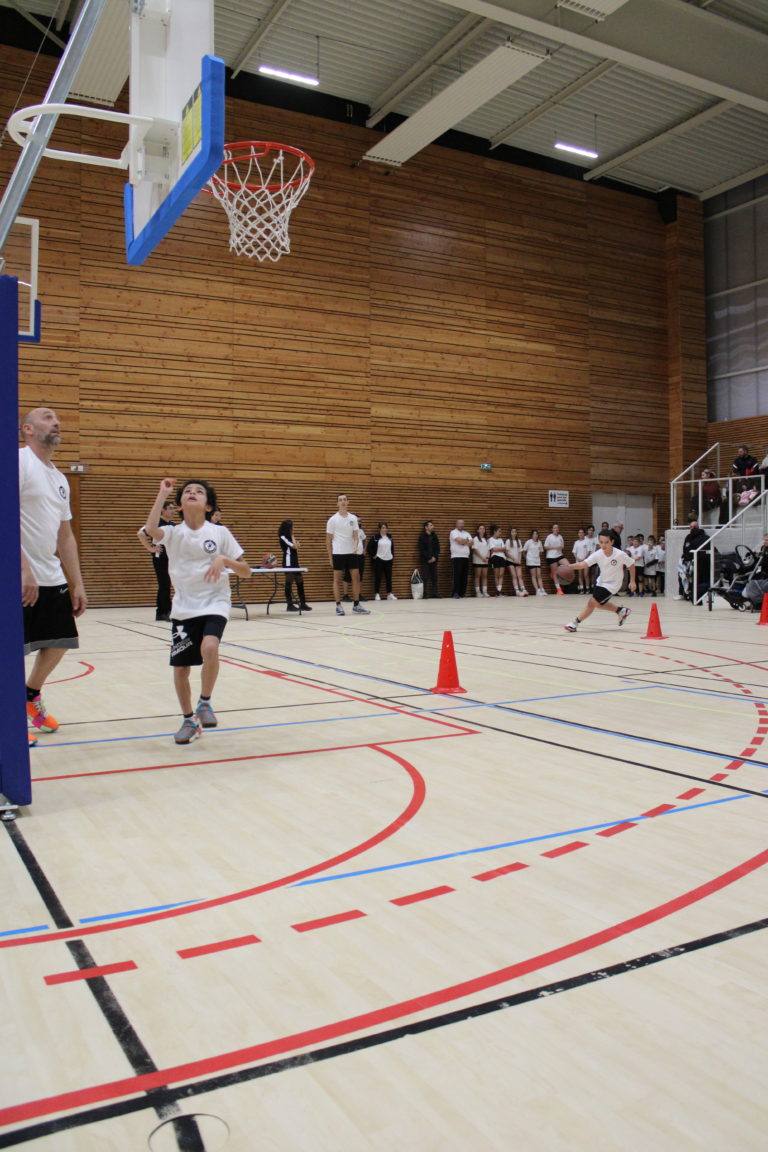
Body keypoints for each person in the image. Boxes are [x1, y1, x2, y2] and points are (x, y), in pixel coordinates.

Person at [144, 477, 251, 743]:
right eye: (187, 491)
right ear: (179, 505)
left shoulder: (220, 533)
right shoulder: (173, 533)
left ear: (208, 506)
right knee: (181, 669)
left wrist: (224, 559)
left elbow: (246, 571)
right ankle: (189, 719)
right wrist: (162, 493)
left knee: (210, 647)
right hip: (183, 607)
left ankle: (205, 701)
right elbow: (150, 529)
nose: (192, 493)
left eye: (199, 491)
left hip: (215, 601)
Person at [20, 407, 88, 745]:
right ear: (28, 429)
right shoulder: (18, 462)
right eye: (47, 417)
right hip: (18, 574)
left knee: (60, 641)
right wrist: (21, 568)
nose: (56, 422)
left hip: (51, 575)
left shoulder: (60, 479)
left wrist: (77, 583)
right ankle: (9, 724)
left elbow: (65, 536)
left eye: (57, 418)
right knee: (12, 651)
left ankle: (30, 694)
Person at [564, 532, 636, 632]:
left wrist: (632, 581)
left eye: (606, 542)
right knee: (598, 604)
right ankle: (621, 610)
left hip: (613, 585)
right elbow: (583, 564)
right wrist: (568, 567)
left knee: (592, 602)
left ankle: (574, 623)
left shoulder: (620, 554)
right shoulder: (598, 554)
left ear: (612, 542)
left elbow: (631, 564)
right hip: (601, 582)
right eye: (601, 542)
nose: (603, 545)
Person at [327, 494, 370, 615]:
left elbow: (356, 536)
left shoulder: (353, 518)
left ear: (348, 502)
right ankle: (338, 605)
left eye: (345, 499)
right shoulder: (332, 520)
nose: (343, 501)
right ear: (337, 503)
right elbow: (328, 541)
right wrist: (330, 558)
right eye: (340, 500)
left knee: (356, 577)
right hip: (338, 553)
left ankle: (356, 605)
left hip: (351, 553)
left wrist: (355, 545)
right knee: (337, 580)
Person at [137, 498, 176, 620]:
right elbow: (141, 533)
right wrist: (150, 548)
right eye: (170, 508)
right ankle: (164, 612)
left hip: (171, 557)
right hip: (160, 557)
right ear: (163, 510)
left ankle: (162, 612)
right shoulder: (156, 524)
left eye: (174, 508)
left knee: (167, 584)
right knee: (164, 584)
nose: (173, 511)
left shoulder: (173, 525)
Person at [278, 519, 311, 612]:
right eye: (292, 527)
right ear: (288, 528)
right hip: (288, 563)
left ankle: (303, 603)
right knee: (289, 583)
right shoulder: (283, 537)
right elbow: (295, 546)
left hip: (295, 562)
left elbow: (296, 546)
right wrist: (293, 538)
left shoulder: (290, 537)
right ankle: (289, 605)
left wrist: (294, 539)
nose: (293, 529)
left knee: (300, 582)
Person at [675, 519, 710, 601]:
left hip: (698, 562)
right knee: (682, 574)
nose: (691, 529)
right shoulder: (689, 537)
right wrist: (685, 559)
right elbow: (685, 548)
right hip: (689, 561)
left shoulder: (704, 537)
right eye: (690, 527)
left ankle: (691, 594)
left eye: (692, 527)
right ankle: (683, 593)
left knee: (692, 577)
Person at [368, 521, 396, 600]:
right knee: (378, 577)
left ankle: (389, 594)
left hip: (389, 559)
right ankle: (377, 594)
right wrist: (374, 555)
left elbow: (392, 547)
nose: (385, 529)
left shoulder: (389, 537)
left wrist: (392, 555)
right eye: (383, 528)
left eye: (386, 528)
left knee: (389, 577)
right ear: (379, 529)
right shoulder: (375, 537)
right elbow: (369, 548)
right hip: (379, 560)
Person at [449, 519, 473, 598]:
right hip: (456, 557)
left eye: (463, 523)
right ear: (456, 524)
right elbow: (459, 541)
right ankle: (455, 593)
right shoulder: (453, 532)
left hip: (465, 557)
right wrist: (466, 541)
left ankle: (462, 593)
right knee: (457, 575)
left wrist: (463, 541)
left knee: (464, 576)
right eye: (460, 523)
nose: (461, 525)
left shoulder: (466, 533)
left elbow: (471, 542)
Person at [418, 520, 441, 598]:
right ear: (426, 527)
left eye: (432, 525)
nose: (433, 526)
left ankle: (435, 593)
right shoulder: (422, 537)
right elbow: (422, 549)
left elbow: (438, 548)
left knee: (434, 577)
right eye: (431, 525)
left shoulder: (434, 536)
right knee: (425, 577)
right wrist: (429, 557)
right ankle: (425, 594)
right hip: (425, 560)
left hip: (434, 560)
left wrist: (434, 557)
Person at [487, 524, 509, 596]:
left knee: (501, 574)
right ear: (495, 531)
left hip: (502, 558)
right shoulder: (490, 540)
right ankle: (497, 591)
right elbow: (493, 549)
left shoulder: (501, 540)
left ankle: (499, 590)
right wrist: (500, 549)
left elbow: (504, 549)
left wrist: (499, 549)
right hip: (494, 558)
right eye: (499, 531)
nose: (500, 533)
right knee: (496, 575)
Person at [544, 523, 565, 595]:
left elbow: (562, 546)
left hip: (559, 555)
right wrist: (554, 547)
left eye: (557, 528)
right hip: (551, 556)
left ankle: (553, 572)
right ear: (552, 529)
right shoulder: (549, 537)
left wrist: (560, 547)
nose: (556, 529)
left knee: (567, 565)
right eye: (555, 528)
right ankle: (558, 589)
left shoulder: (560, 536)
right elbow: (545, 547)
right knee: (555, 573)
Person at [505, 527, 527, 596]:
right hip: (510, 561)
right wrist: (514, 559)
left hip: (517, 561)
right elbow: (506, 553)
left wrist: (519, 560)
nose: (514, 533)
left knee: (519, 576)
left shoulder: (518, 541)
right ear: (510, 533)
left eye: (515, 532)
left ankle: (523, 589)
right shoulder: (508, 541)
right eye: (512, 532)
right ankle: (517, 590)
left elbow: (520, 552)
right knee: (514, 576)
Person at [522, 529, 545, 595]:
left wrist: (537, 556)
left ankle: (542, 589)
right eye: (534, 534)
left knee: (539, 575)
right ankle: (537, 590)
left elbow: (541, 551)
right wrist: (527, 558)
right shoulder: (528, 542)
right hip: (530, 561)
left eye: (536, 534)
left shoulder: (539, 542)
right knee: (534, 576)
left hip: (537, 561)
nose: (535, 535)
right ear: (532, 535)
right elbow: (524, 551)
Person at [472, 524, 490, 597]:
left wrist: (487, 558)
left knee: (484, 576)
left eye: (483, 529)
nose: (482, 530)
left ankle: (485, 591)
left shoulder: (486, 540)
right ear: (478, 530)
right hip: (478, 560)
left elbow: (489, 550)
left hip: (485, 561)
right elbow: (474, 549)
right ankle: (478, 592)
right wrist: (482, 557)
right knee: (477, 576)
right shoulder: (475, 539)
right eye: (480, 528)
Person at [572, 528, 590, 594]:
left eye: (582, 532)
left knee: (586, 575)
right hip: (579, 561)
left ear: (584, 534)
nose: (581, 534)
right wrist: (578, 558)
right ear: (578, 534)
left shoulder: (587, 541)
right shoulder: (576, 542)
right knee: (580, 575)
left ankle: (587, 588)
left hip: (586, 561)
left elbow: (588, 551)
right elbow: (574, 552)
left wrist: (584, 558)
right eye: (580, 532)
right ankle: (581, 589)